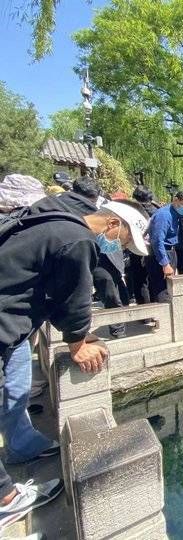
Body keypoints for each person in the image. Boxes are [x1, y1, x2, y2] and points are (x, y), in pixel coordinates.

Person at [0, 200, 148, 526]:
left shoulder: (55, 219)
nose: (118, 247)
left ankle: (22, 448)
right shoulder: (79, 240)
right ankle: (5, 500)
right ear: (112, 223)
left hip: (10, 325)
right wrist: (78, 342)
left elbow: (48, 291)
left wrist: (78, 334)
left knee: (12, 390)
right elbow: (75, 295)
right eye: (123, 240)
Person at [33, 177, 131, 338]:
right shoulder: (58, 206)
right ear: (75, 193)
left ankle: (117, 328)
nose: (89, 203)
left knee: (110, 292)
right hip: (71, 254)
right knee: (74, 292)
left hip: (102, 257)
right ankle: (70, 332)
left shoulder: (106, 208)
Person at [147, 191, 183, 302]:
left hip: (170, 252)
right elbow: (157, 241)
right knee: (161, 288)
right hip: (160, 254)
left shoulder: (176, 214)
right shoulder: (164, 215)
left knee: (168, 287)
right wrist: (165, 263)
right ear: (175, 200)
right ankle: (162, 316)